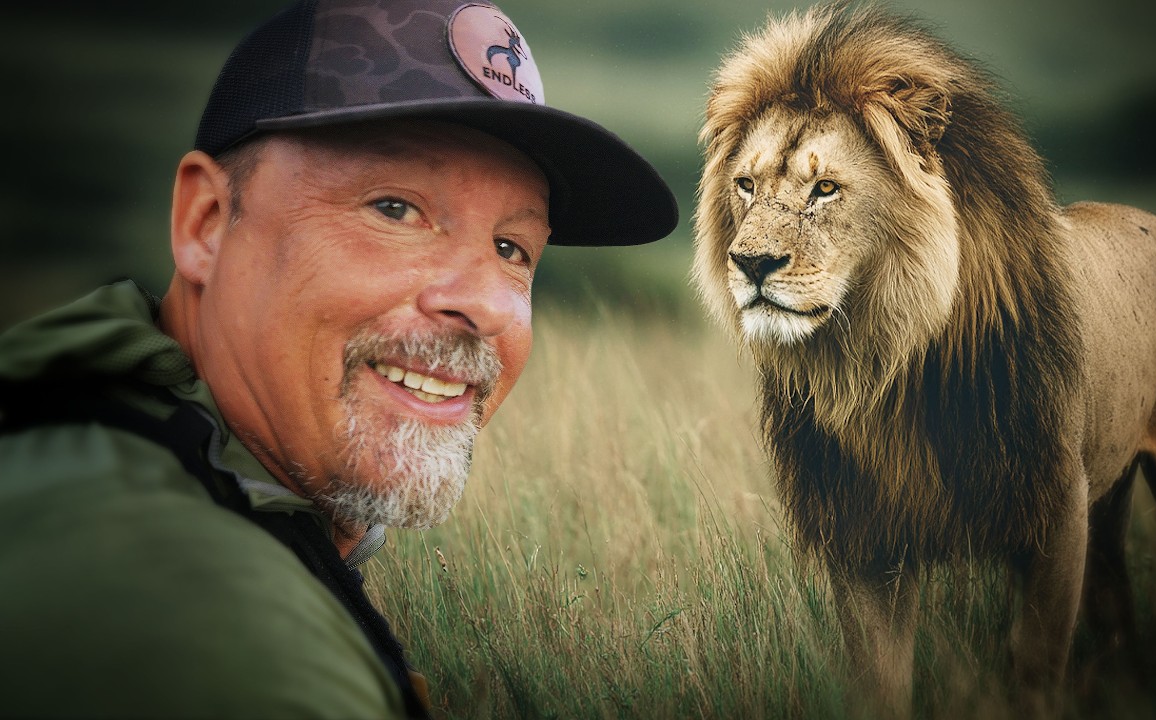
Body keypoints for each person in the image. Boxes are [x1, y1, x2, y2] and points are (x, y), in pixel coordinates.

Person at [0, 0, 677, 717]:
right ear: (205, 223)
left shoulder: (136, 446)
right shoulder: (210, 628)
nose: (486, 304)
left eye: (513, 249)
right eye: (394, 208)